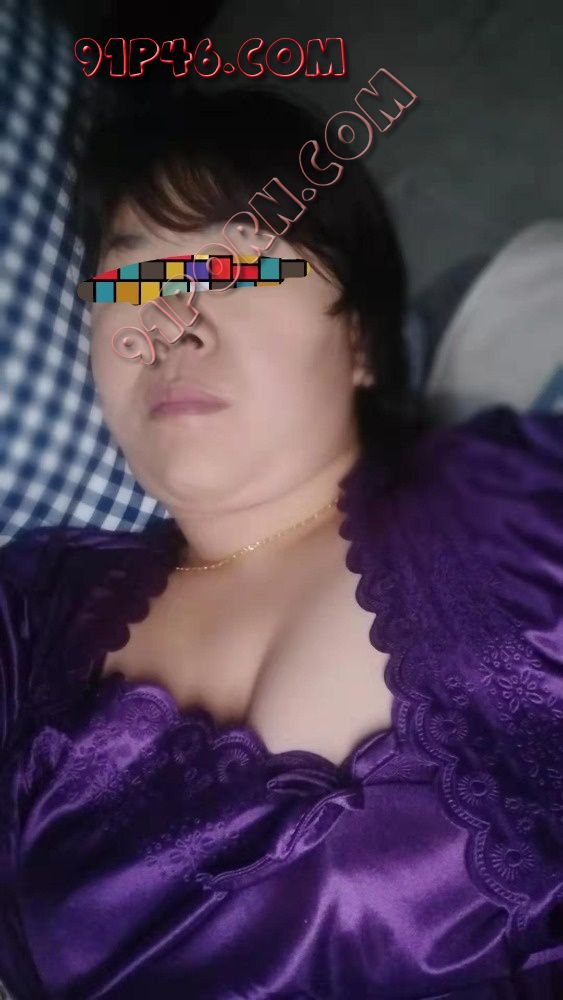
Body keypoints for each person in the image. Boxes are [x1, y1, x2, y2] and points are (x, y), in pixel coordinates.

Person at [0, 87, 561, 999]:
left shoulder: (511, 516)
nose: (174, 319)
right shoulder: (35, 613)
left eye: (240, 270)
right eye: (130, 280)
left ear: (360, 343)